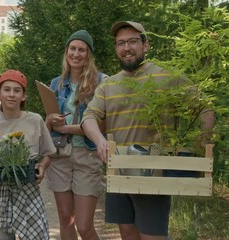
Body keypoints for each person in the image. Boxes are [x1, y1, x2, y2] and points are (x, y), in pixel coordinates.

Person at [81, 21, 215, 240]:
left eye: (133, 41)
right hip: (118, 171)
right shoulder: (108, 85)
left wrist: (204, 137)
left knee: (152, 237)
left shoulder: (167, 77)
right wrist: (99, 141)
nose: (126, 48)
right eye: (121, 43)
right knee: (127, 232)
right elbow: (89, 117)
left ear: (146, 45)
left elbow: (204, 106)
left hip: (154, 172)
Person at [0, 69, 56, 240]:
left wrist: (42, 167)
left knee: (36, 237)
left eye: (17, 90)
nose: (11, 94)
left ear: (24, 96)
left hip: (27, 189)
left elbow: (48, 153)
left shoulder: (35, 120)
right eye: (7, 90)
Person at [44, 29, 106, 240]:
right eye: (73, 49)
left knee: (84, 225)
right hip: (60, 155)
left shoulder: (101, 82)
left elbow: (101, 126)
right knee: (65, 218)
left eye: (82, 50)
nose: (76, 54)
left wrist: (68, 128)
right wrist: (50, 122)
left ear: (89, 54)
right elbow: (50, 125)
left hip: (87, 156)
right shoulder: (56, 84)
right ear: (66, 51)